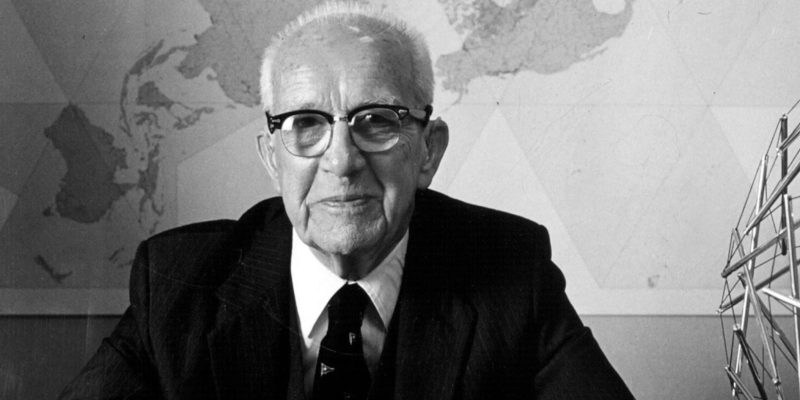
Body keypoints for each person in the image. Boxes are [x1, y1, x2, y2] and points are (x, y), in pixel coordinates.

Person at [61, 2, 634, 399]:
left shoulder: (511, 272)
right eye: (307, 124)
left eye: (378, 120)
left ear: (428, 151)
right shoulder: (178, 283)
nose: (341, 160)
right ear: (272, 158)